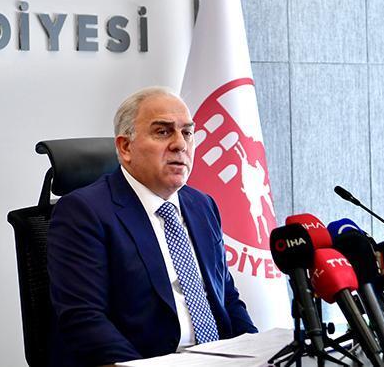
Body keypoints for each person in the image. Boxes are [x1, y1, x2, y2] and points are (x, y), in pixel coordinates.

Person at [47, 86, 257, 366]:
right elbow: (84, 319)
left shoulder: (202, 205)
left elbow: (227, 298)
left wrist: (258, 352)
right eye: (163, 132)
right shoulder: (84, 212)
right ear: (125, 147)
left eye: (187, 132)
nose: (180, 144)